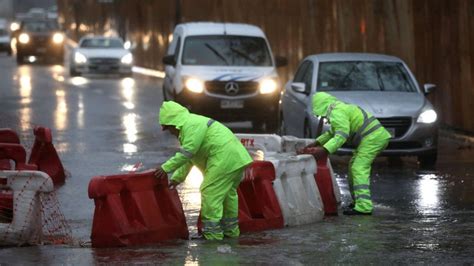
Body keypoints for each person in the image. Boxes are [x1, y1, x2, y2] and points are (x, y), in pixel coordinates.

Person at [154, 101, 253, 240]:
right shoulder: (191, 124)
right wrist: (177, 178)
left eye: (168, 129)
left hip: (224, 158)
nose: (170, 133)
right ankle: (231, 232)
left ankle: (212, 236)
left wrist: (165, 168)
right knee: (227, 195)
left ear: (174, 124)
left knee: (210, 191)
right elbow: (190, 158)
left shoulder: (191, 126)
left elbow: (187, 153)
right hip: (235, 158)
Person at [299, 92, 391, 215]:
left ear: (321, 107)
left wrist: (324, 150)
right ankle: (358, 202)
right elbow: (332, 132)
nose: (322, 118)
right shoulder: (339, 108)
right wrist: (316, 143)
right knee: (353, 166)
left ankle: (364, 207)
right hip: (373, 138)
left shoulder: (336, 112)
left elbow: (341, 136)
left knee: (359, 167)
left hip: (373, 139)